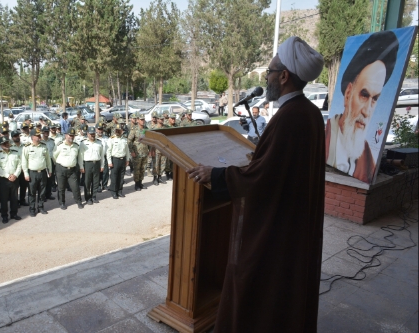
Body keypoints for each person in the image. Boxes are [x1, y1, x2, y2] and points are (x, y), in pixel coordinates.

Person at [187, 36, 325, 332]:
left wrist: (217, 175)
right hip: (295, 219)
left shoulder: (290, 117)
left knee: (259, 284)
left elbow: (265, 178)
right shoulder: (309, 113)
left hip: (279, 226)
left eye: (270, 72)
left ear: (284, 76)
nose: (268, 78)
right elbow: (282, 167)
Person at [325, 31, 399, 184]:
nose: (367, 111)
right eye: (364, 95)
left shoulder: (367, 158)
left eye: (375, 99)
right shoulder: (323, 138)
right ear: (348, 94)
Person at [22, 128, 52, 217]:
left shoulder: (43, 146)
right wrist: (26, 173)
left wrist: (49, 170)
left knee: (42, 191)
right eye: (37, 136)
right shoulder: (27, 147)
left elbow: (48, 159)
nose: (39, 137)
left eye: (39, 135)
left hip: (42, 172)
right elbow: (24, 161)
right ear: (32, 137)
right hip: (32, 173)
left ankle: (41, 207)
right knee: (32, 192)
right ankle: (32, 209)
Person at [0, 136, 22, 223]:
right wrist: (7, 176)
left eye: (7, 143)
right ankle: (4, 216)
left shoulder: (15, 152)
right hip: (4, 180)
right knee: (4, 199)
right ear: (1, 145)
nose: (6, 145)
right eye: (4, 143)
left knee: (14, 198)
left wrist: (15, 175)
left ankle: (14, 214)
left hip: (14, 178)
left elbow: (19, 165)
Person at [53, 128, 83, 210]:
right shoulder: (60, 145)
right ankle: (62, 203)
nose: (71, 137)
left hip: (72, 170)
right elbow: (54, 156)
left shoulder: (76, 146)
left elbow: (79, 158)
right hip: (61, 169)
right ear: (66, 135)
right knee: (61, 188)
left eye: (73, 136)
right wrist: (60, 163)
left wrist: (81, 167)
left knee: (75, 187)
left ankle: (78, 201)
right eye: (70, 135)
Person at [79, 127, 104, 205]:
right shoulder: (83, 143)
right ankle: (88, 198)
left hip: (96, 163)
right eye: (91, 134)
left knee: (96, 182)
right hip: (87, 164)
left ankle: (94, 196)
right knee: (87, 182)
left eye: (93, 134)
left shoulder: (99, 142)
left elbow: (102, 155)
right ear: (87, 134)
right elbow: (80, 156)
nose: (92, 135)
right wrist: (81, 167)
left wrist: (102, 165)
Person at [107, 123, 129, 199]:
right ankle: (113, 191)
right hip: (115, 159)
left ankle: (120, 191)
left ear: (122, 131)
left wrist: (127, 159)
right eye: (117, 130)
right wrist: (109, 162)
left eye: (119, 130)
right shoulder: (112, 139)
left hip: (123, 159)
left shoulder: (124, 139)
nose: (118, 132)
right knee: (114, 176)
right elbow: (108, 151)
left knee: (121, 176)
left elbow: (127, 150)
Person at [128, 113, 149, 191]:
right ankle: (136, 184)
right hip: (137, 153)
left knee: (143, 168)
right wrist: (132, 151)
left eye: (144, 119)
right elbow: (129, 141)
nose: (143, 121)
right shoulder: (134, 129)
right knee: (137, 169)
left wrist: (149, 150)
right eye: (141, 120)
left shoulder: (146, 129)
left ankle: (140, 182)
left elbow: (149, 140)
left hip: (145, 152)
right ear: (138, 120)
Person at [10, 131, 29, 207]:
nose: (17, 137)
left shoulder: (25, 146)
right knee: (15, 188)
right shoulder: (10, 147)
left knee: (23, 186)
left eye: (18, 135)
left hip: (23, 169)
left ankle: (22, 200)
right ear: (12, 138)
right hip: (15, 171)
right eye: (15, 136)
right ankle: (15, 201)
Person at [151, 116, 168, 185]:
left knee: (162, 164)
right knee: (156, 165)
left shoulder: (165, 127)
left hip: (163, 149)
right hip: (156, 149)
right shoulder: (154, 128)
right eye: (160, 119)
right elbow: (151, 140)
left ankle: (160, 177)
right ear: (157, 120)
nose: (162, 120)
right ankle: (155, 178)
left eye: (162, 119)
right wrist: (151, 150)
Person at [40, 126, 56, 201]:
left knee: (50, 178)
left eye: (47, 131)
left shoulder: (52, 141)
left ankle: (48, 194)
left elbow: (54, 152)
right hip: (43, 161)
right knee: (43, 180)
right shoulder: (40, 141)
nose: (46, 133)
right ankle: (42, 196)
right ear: (42, 132)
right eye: (45, 132)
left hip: (51, 161)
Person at [96, 123, 109, 193]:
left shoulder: (106, 138)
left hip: (105, 157)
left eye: (101, 129)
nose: (100, 131)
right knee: (97, 173)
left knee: (105, 172)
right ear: (96, 129)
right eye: (98, 129)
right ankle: (98, 186)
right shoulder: (93, 137)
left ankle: (104, 185)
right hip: (97, 158)